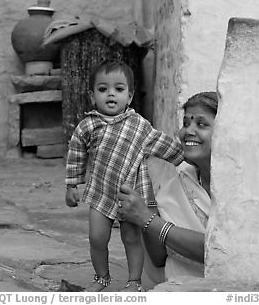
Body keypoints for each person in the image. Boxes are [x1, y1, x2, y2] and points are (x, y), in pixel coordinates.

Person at [65, 60, 184, 292]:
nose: (111, 94)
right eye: (103, 89)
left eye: (118, 89)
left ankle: (134, 282)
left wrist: (187, 158)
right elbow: (76, 153)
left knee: (131, 238)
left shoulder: (139, 126)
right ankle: (102, 278)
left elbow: (163, 144)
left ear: (129, 96)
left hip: (130, 195)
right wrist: (72, 184)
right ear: (92, 95)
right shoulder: (88, 125)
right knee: (97, 238)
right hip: (101, 191)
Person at [117, 91, 218, 285]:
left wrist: (147, 218)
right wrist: (148, 198)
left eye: (201, 124)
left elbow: (219, 251)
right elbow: (158, 257)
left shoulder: (240, 191)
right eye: (186, 123)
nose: (188, 131)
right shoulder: (178, 182)